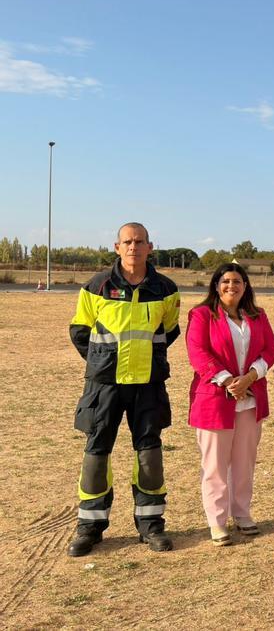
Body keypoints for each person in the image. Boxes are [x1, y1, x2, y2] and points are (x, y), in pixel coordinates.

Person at [67, 222, 180, 557]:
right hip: (104, 385)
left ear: (150, 246)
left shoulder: (166, 288)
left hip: (148, 384)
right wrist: (103, 360)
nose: (134, 247)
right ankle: (89, 526)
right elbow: (80, 330)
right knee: (96, 452)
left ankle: (151, 525)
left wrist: (149, 358)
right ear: (117, 247)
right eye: (128, 242)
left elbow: (169, 331)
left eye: (140, 241)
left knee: (149, 454)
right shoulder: (96, 286)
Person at [185, 263, 274, 546]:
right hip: (214, 401)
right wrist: (228, 381)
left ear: (245, 286)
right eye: (225, 281)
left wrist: (249, 378)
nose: (231, 286)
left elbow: (270, 349)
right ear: (216, 285)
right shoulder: (202, 315)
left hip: (249, 401)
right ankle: (217, 521)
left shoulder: (257, 315)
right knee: (214, 465)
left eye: (237, 281)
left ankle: (242, 513)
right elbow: (197, 352)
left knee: (244, 463)